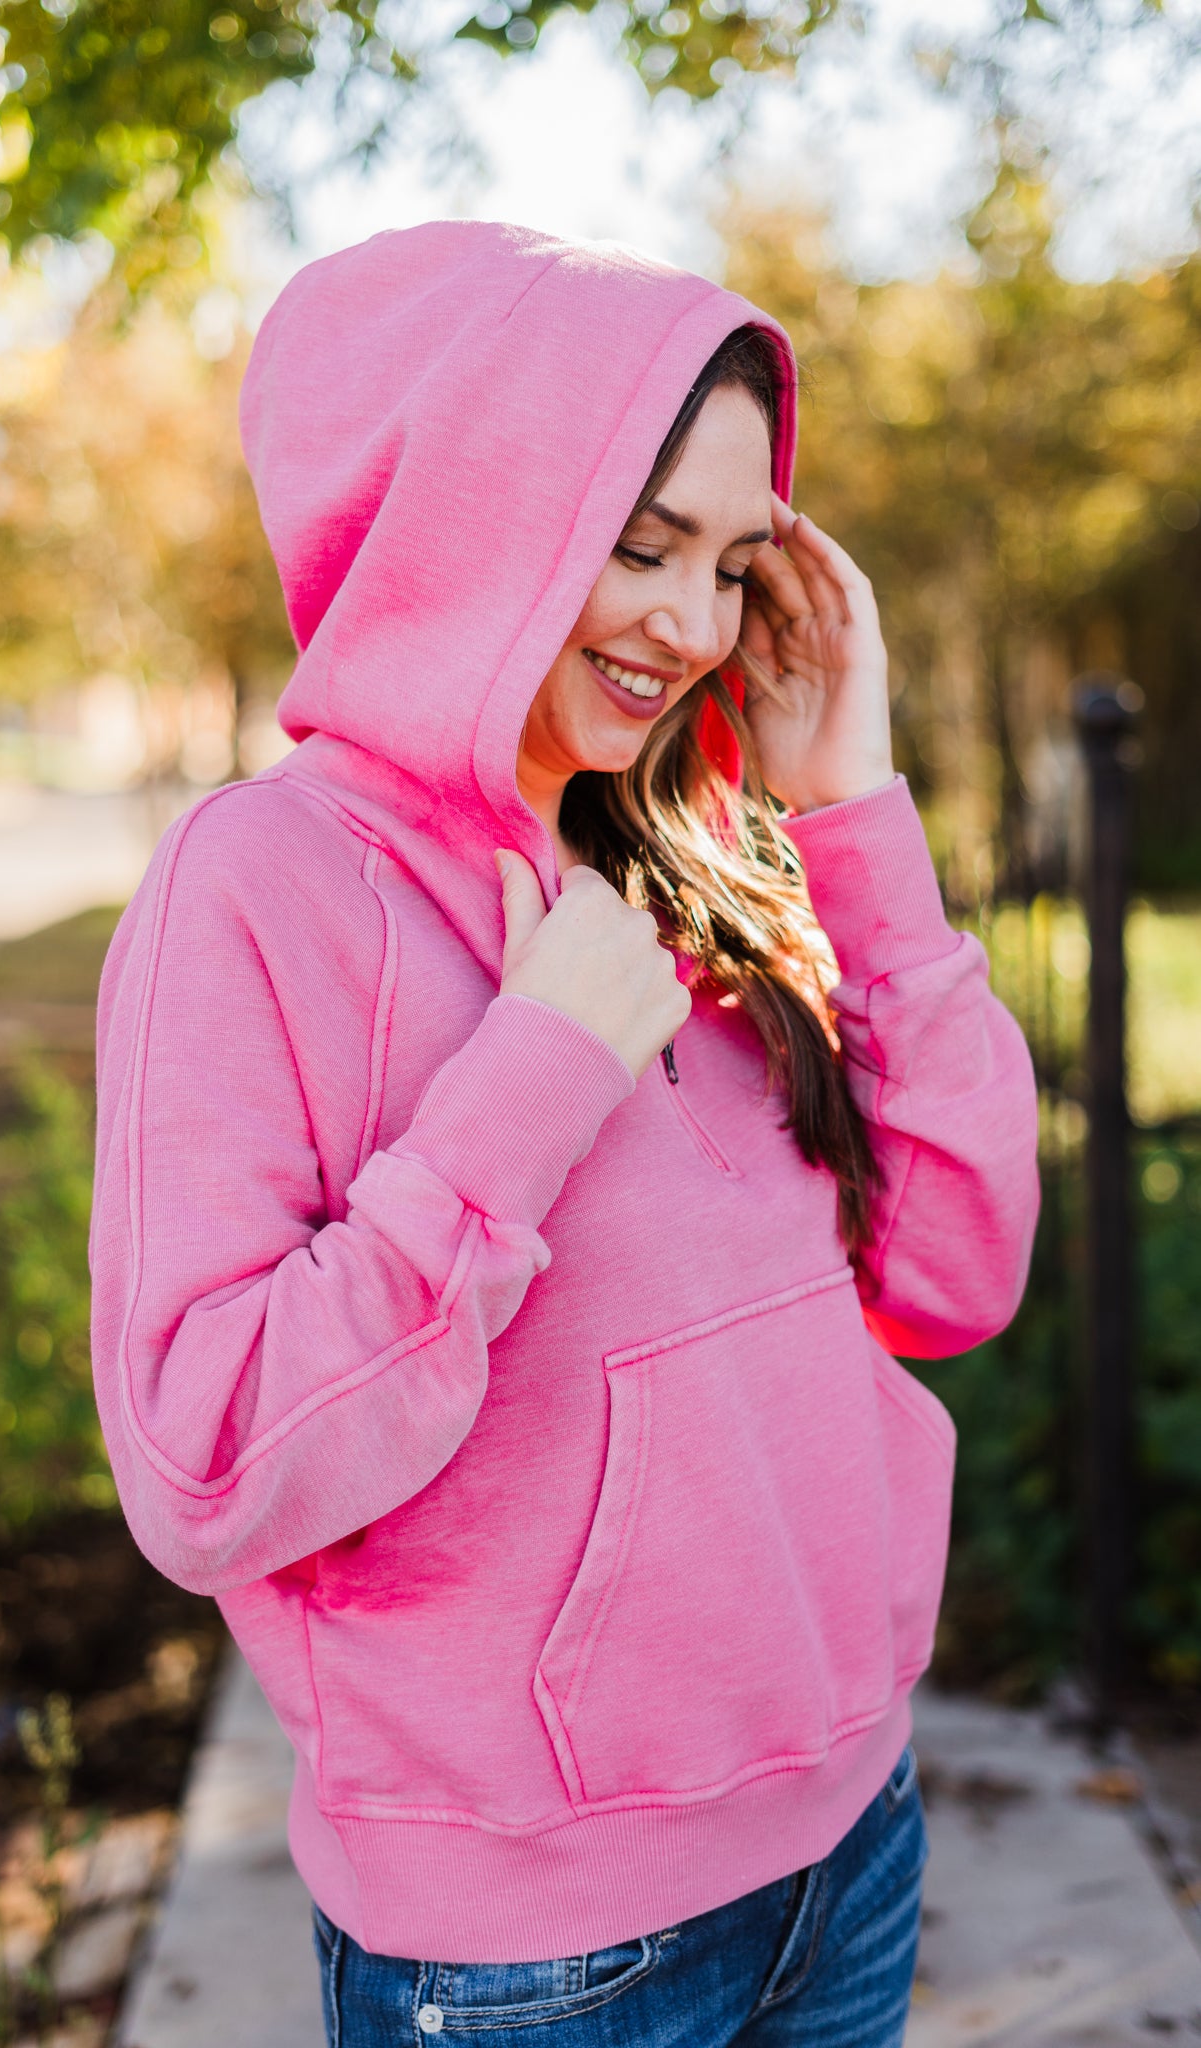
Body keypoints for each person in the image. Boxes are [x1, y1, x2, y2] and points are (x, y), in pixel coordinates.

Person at [89, 221, 1039, 2046]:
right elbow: (203, 1465)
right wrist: (527, 1084)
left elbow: (953, 1271)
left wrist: (848, 813)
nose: (690, 628)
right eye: (638, 542)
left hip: (848, 1842)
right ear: (473, 512)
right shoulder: (261, 887)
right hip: (537, 1959)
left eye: (734, 562)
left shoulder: (690, 847)